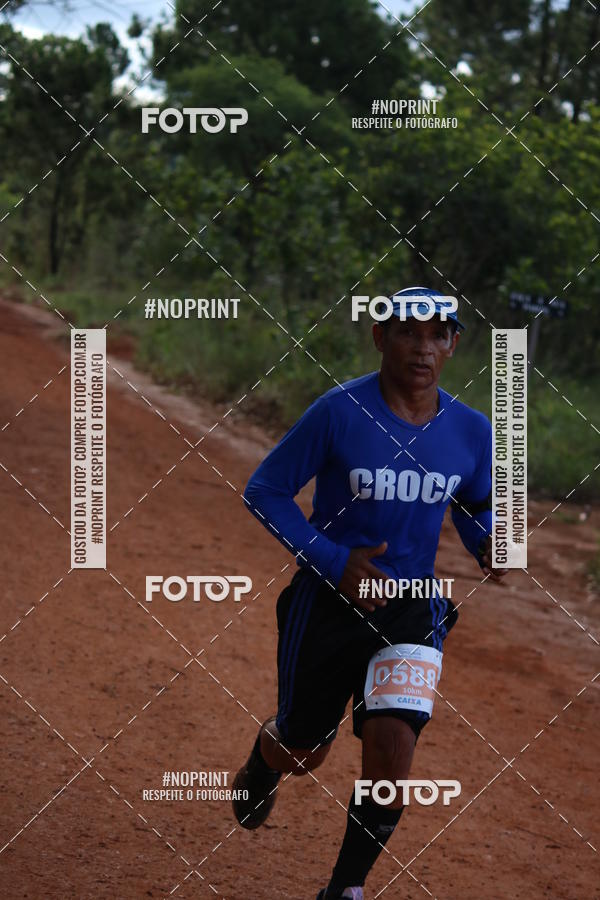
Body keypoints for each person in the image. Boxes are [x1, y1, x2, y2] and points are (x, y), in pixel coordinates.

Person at [232, 287, 507, 899]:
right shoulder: (338, 412)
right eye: (408, 332)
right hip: (328, 600)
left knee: (393, 745)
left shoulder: (470, 429)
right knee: (303, 752)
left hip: (413, 604)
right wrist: (334, 560)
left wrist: (490, 542)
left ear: (454, 345)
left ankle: (346, 888)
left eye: (439, 335)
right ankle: (266, 754)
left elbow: (474, 503)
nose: (423, 347)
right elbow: (265, 491)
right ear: (381, 337)